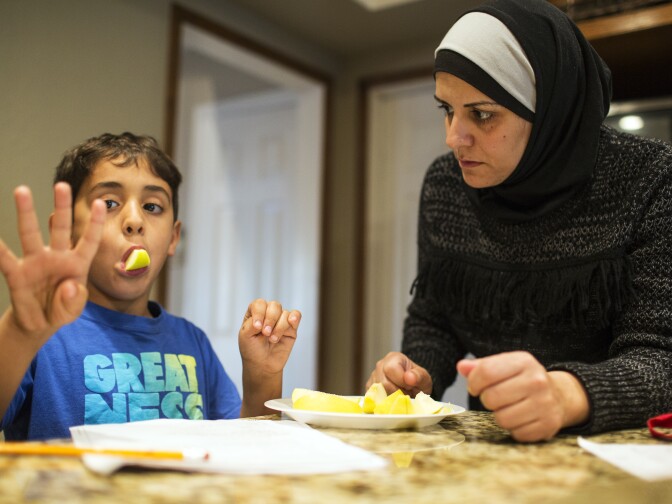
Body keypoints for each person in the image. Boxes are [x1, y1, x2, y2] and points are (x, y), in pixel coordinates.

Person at [367, 0, 672, 442]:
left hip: (616, 446)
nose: (453, 137)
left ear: (547, 109)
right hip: (496, 438)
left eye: (482, 114)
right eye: (446, 110)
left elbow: (661, 358)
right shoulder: (447, 185)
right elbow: (435, 318)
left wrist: (565, 394)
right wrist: (415, 375)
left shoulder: (650, 178)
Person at [0, 132, 301, 440]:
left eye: (153, 207)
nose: (134, 220)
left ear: (173, 237)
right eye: (110, 203)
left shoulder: (192, 342)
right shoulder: (40, 339)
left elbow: (247, 447)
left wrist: (262, 375)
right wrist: (19, 331)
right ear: (67, 231)